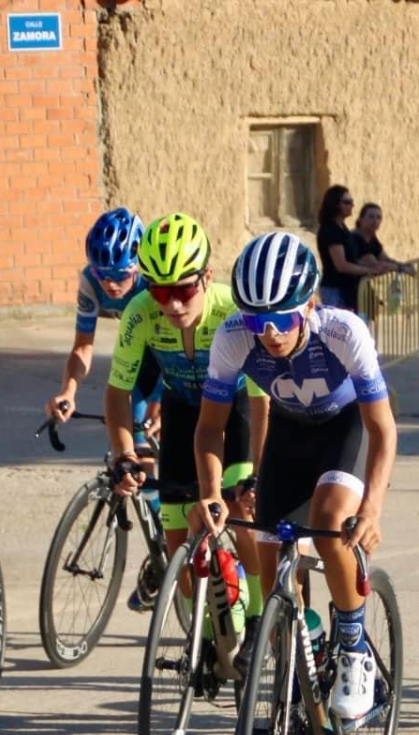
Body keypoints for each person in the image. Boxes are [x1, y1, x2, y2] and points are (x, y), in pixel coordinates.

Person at [191, 231, 399, 721]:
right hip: (289, 433)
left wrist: (371, 510)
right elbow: (208, 428)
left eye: (282, 319)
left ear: (309, 303)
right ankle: (306, 681)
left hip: (345, 430)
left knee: (329, 523)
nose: (269, 333)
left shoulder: (343, 331)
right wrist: (210, 493)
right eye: (257, 320)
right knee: (271, 566)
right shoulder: (233, 336)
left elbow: (383, 428)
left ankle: (353, 650)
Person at [100, 212, 263, 634]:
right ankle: (204, 634)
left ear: (207, 277)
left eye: (183, 289)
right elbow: (118, 391)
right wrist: (125, 455)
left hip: (238, 409)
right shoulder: (139, 313)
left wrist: (260, 473)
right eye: (159, 290)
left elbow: (263, 401)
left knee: (242, 511)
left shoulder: (233, 310)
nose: (172, 303)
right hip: (182, 408)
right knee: (176, 540)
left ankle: (262, 618)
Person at [45, 209, 158, 435]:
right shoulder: (90, 281)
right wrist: (68, 392)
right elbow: (83, 346)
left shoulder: (154, 281)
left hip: (172, 357)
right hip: (135, 355)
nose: (110, 284)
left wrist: (161, 402)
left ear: (138, 267)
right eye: (102, 275)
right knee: (135, 449)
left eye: (120, 276)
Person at [315, 185, 390, 310]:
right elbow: (341, 265)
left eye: (351, 202)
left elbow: (352, 259)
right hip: (335, 289)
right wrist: (369, 270)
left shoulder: (342, 228)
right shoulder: (331, 229)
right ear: (336, 204)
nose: (352, 205)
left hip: (346, 289)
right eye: (347, 202)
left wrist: (373, 267)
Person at [350, 203, 414, 276]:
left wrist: (403, 265)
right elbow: (374, 264)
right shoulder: (355, 238)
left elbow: (385, 259)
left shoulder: (371, 238)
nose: (375, 221)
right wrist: (402, 268)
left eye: (379, 217)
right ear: (360, 219)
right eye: (371, 217)